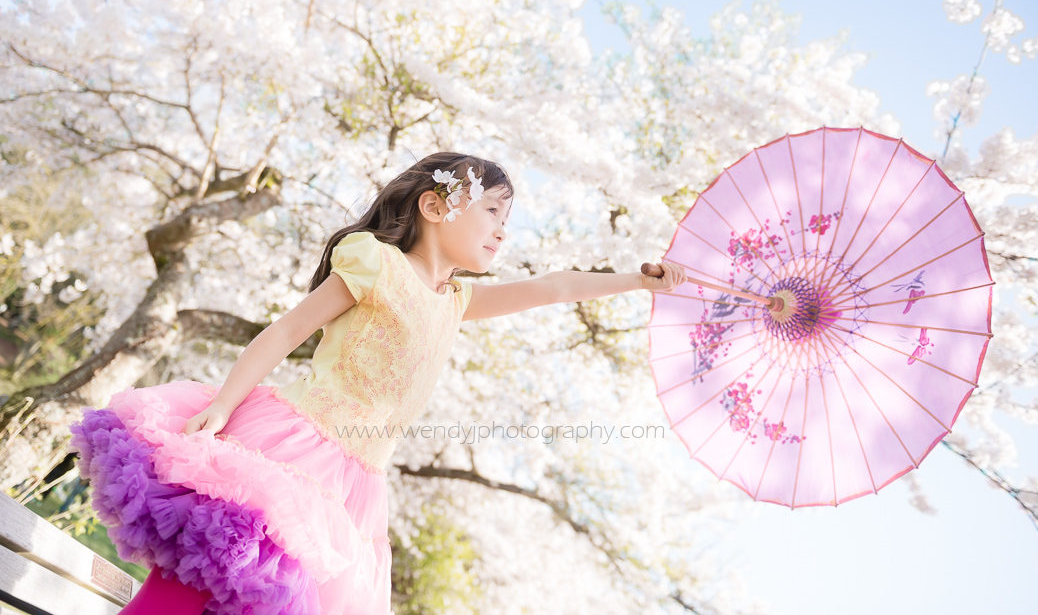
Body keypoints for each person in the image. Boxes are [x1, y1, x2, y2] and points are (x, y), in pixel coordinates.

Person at [70, 152, 685, 614]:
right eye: (493, 211)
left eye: (508, 218)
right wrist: (225, 404)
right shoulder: (377, 263)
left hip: (356, 488)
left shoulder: (456, 300)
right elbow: (285, 332)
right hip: (291, 448)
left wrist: (637, 280)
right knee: (193, 580)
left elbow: (552, 287)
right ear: (436, 206)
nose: (504, 229)